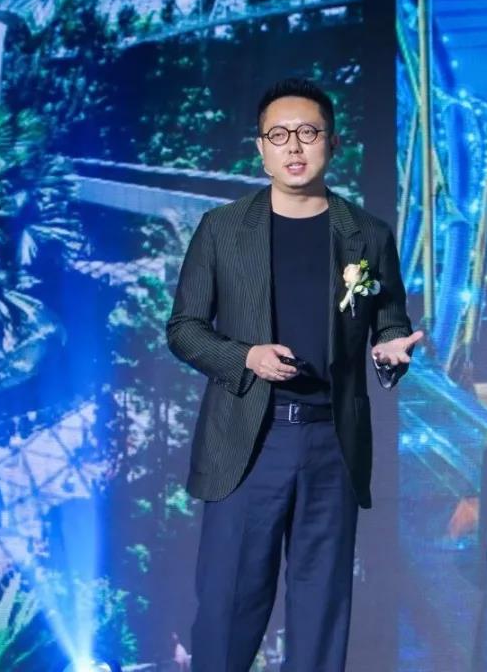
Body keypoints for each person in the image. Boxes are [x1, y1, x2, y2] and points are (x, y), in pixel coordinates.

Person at [166, 77, 422, 671]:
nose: (294, 146)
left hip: (332, 441)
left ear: (332, 142)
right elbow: (184, 328)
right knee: (229, 608)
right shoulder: (222, 229)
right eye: (278, 135)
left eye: (308, 132)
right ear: (261, 148)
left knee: (322, 607)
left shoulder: (367, 234)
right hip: (249, 441)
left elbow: (389, 321)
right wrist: (246, 358)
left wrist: (389, 351)